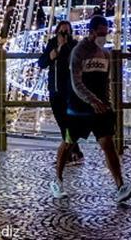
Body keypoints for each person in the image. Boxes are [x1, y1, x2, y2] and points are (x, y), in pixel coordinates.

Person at [50, 15, 131, 203]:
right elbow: (76, 82)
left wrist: (106, 104)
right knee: (68, 143)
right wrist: (92, 100)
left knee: (108, 145)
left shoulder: (105, 54)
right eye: (100, 33)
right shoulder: (78, 52)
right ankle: (57, 180)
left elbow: (105, 82)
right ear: (91, 32)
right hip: (78, 109)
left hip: (99, 110)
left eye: (105, 33)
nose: (103, 36)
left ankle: (120, 186)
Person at [38, 20, 83, 165]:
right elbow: (42, 63)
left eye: (66, 31)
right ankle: (76, 152)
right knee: (62, 123)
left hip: (69, 90)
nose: (64, 34)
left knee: (67, 123)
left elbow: (76, 62)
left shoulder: (73, 45)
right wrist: (55, 51)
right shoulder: (52, 43)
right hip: (55, 89)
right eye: (61, 31)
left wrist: (65, 46)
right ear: (57, 31)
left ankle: (69, 155)